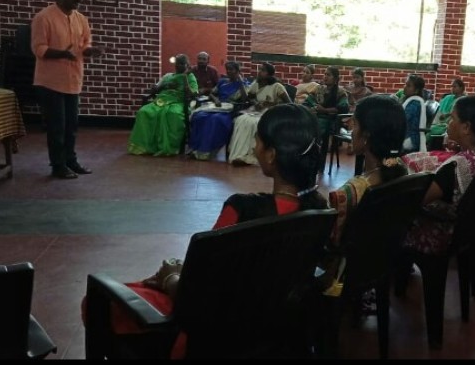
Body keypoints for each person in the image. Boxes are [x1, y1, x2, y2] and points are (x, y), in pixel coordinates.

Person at [81, 103, 329, 359]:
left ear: (271, 155)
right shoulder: (321, 211)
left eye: (257, 141)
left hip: (213, 338)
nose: (254, 147)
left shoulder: (242, 210)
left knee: (98, 302)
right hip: (276, 335)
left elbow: (197, 299)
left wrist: (171, 277)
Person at [322, 95, 409, 312]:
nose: (351, 130)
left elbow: (331, 244)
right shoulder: (403, 172)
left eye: (355, 124)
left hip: (345, 273)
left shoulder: (350, 193)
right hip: (381, 263)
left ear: (367, 136)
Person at [400, 96, 475, 256]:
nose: (448, 123)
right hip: (465, 232)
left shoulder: (455, 167)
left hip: (439, 234)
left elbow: (418, 200)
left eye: (452, 118)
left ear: (466, 127)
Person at [31, 0, 104, 179]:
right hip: (50, 82)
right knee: (57, 127)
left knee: (71, 126)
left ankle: (71, 161)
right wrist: (63, 54)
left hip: (73, 81)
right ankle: (58, 166)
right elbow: (38, 49)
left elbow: (85, 44)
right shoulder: (44, 17)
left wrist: (90, 50)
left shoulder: (81, 19)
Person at [128, 54, 199, 156]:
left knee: (172, 114)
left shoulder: (190, 77)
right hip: (161, 100)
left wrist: (184, 78)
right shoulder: (168, 76)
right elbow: (155, 89)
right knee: (144, 112)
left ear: (187, 65)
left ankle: (168, 147)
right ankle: (146, 146)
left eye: (182, 63)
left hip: (179, 102)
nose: (178, 65)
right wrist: (164, 85)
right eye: (177, 63)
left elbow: (193, 93)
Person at [227, 62, 290, 165]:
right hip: (256, 111)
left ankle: (251, 155)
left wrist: (270, 104)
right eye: (259, 69)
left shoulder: (277, 86)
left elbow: (289, 103)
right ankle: (239, 155)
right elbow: (248, 99)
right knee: (241, 120)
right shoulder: (256, 84)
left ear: (270, 74)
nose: (259, 72)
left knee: (253, 123)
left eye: (263, 70)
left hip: (270, 113)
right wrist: (256, 103)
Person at [187, 61, 250, 160]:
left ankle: (206, 151)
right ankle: (195, 148)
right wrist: (216, 99)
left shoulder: (244, 84)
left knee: (215, 119)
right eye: (227, 69)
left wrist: (240, 81)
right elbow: (211, 93)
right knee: (199, 116)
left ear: (238, 71)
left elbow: (245, 99)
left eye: (231, 69)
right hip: (217, 106)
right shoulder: (222, 82)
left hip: (230, 109)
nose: (228, 71)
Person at [427, 78, 466, 143]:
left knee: (431, 131)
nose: (452, 89)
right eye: (451, 87)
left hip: (450, 123)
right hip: (440, 121)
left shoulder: (463, 100)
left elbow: (458, 113)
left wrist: (446, 115)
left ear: (461, 88)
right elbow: (439, 109)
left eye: (455, 87)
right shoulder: (448, 97)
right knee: (429, 127)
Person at [400, 74, 427, 154]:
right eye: (405, 84)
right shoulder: (409, 100)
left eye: (408, 86)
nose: (405, 87)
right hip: (407, 135)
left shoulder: (415, 104)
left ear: (416, 90)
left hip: (410, 140)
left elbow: (402, 120)